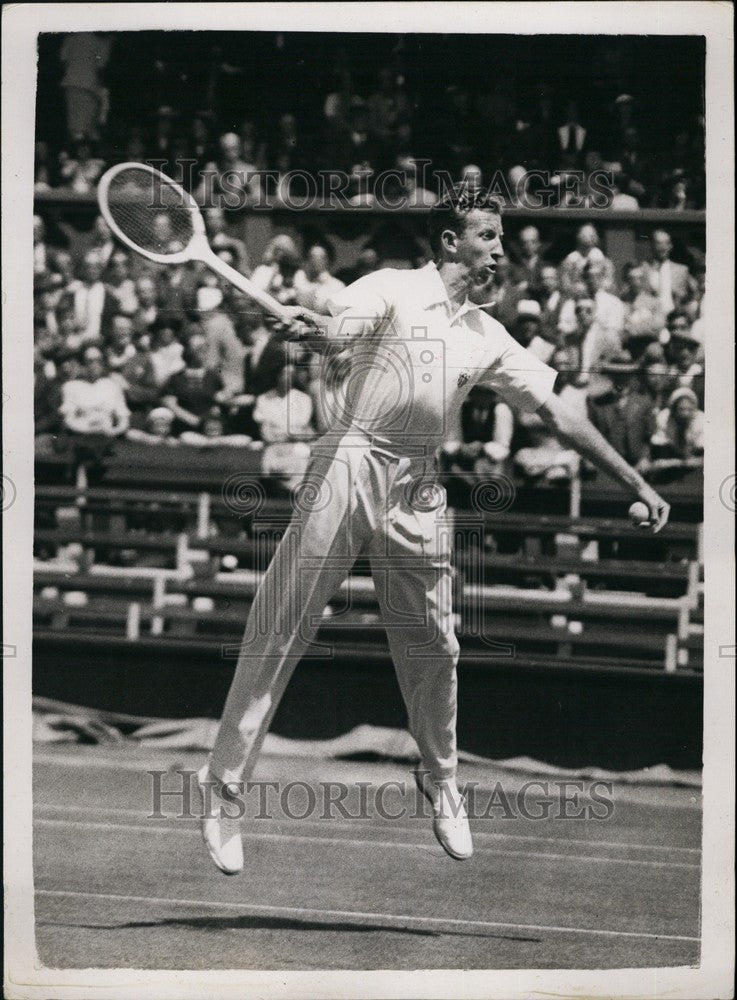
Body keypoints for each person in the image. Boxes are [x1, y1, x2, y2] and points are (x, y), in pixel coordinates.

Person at [197, 185, 669, 875]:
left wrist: (635, 483)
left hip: (417, 481)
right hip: (350, 456)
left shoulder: (486, 333)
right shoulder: (390, 287)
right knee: (283, 620)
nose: (500, 250)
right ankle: (223, 786)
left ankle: (440, 776)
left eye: (501, 238)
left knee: (436, 641)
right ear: (450, 241)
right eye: (488, 237)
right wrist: (317, 328)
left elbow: (558, 414)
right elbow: (341, 328)